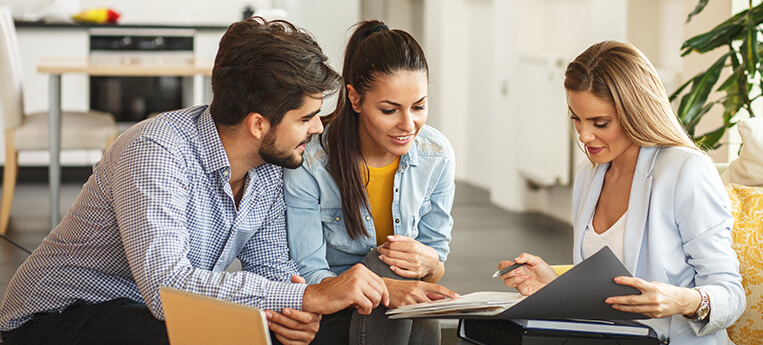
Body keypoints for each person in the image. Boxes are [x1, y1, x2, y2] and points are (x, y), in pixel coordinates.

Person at [0, 17, 391, 345]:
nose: (318, 128)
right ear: (258, 124)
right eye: (306, 118)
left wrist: (294, 311)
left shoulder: (272, 166)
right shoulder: (155, 151)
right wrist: (305, 295)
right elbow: (166, 288)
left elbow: (271, 270)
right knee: (201, 333)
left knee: (315, 326)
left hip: (147, 312)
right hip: (54, 319)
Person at [496, 41, 745, 344]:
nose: (584, 136)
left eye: (600, 123)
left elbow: (731, 296)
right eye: (577, 118)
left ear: (635, 112)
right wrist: (555, 284)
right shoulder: (590, 175)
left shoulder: (686, 171)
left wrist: (682, 301)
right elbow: (609, 287)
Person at [283, 20, 458, 345]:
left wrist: (430, 264)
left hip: (401, 309)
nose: (409, 124)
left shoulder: (437, 155)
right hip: (334, 310)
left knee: (409, 286)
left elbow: (435, 263)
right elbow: (310, 274)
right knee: (387, 265)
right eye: (390, 110)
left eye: (419, 106)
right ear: (355, 98)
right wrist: (384, 285)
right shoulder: (312, 162)